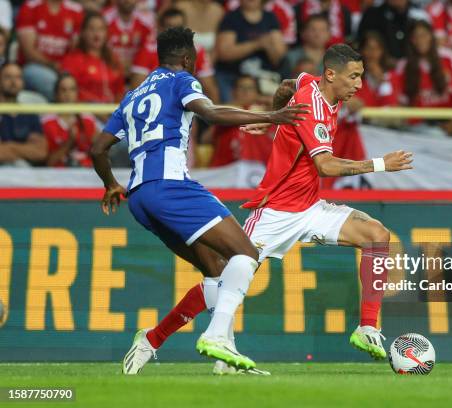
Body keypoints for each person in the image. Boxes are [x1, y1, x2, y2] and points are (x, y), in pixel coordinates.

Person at [129, 44, 414, 377]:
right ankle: (152, 338)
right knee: (223, 281)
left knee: (377, 235)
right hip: (276, 211)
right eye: (354, 77)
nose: (359, 85)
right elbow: (325, 165)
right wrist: (382, 164)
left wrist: (275, 120)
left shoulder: (309, 83)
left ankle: (366, 328)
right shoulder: (313, 107)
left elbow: (286, 86)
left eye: (361, 77)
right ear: (332, 75)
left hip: (310, 206)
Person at [89, 26, 309, 374]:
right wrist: (270, 116)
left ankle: (178, 346)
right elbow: (209, 112)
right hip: (171, 186)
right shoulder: (182, 80)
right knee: (246, 254)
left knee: (216, 269)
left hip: (140, 197)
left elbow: (97, 148)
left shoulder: (132, 96)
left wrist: (111, 184)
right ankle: (217, 338)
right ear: (188, 59)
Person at [398, 20, 452, 137]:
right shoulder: (404, 66)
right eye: (415, 37)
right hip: (419, 127)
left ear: (431, 37)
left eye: (423, 35)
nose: (420, 40)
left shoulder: (448, 57)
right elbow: (401, 103)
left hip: (451, 121)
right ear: (411, 41)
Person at [130, 7, 218, 103]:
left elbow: (210, 89)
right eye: (170, 27)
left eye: (179, 27)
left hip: (186, 104)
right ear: (160, 29)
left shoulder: (197, 50)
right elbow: (137, 89)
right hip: (154, 104)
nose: (175, 32)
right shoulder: (148, 50)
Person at [15, 0, 84, 100]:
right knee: (56, 83)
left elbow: (75, 50)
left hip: (65, 67)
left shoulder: (76, 10)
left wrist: (65, 67)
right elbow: (29, 52)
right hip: (35, 66)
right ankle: (58, 114)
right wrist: (53, 65)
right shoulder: (30, 7)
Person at [61, 12, 125, 103]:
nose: (97, 33)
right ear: (83, 32)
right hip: (85, 112)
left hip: (112, 112)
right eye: (91, 29)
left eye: (101, 29)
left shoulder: (114, 60)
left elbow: (120, 92)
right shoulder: (72, 60)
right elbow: (70, 93)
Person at [43, 73, 98, 167]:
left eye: (72, 90)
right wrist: (69, 142)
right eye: (63, 90)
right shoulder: (47, 122)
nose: (68, 94)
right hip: (59, 175)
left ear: (77, 93)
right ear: (56, 94)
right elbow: (48, 163)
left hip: (87, 173)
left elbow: (98, 156)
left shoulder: (87, 119)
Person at [0, 63, 47, 166]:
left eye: (18, 77)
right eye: (8, 77)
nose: (13, 82)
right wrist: (24, 149)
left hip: (25, 173)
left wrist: (9, 147)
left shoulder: (29, 113)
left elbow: (40, 152)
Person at [103, 0, 154, 73]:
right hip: (110, 70)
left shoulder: (147, 21)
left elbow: (150, 51)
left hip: (138, 72)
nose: (127, 1)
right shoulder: (105, 18)